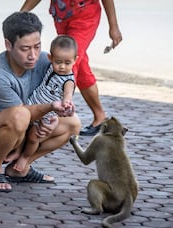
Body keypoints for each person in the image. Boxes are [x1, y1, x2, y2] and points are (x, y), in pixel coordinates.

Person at [0, 12, 81, 193]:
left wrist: (54, 117)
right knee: (20, 114)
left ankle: (20, 168)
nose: (33, 55)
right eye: (25, 49)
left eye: (37, 47)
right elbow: (23, 114)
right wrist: (50, 109)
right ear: (8, 45)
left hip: (20, 130)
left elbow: (67, 79)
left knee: (73, 124)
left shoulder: (46, 60)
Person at [20, 0, 123, 136]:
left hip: (85, 15)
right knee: (79, 66)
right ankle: (100, 117)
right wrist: (22, 14)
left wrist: (113, 26)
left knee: (67, 65)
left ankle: (53, 118)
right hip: (62, 17)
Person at [12, 35, 78, 172]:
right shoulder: (50, 67)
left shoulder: (68, 80)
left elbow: (68, 94)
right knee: (22, 128)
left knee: (33, 137)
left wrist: (67, 102)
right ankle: (17, 150)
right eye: (58, 61)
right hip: (32, 103)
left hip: (46, 114)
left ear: (75, 61)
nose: (62, 66)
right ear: (50, 58)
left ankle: (25, 157)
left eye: (67, 63)